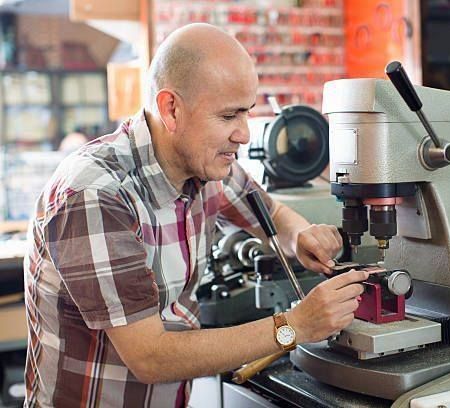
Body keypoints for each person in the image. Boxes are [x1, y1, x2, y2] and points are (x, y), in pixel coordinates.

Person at [23, 23, 367, 407]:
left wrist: (301, 236)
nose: (244, 134)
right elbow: (149, 357)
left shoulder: (206, 165)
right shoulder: (96, 193)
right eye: (228, 116)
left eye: (247, 113)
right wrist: (296, 326)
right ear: (172, 109)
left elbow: (270, 213)